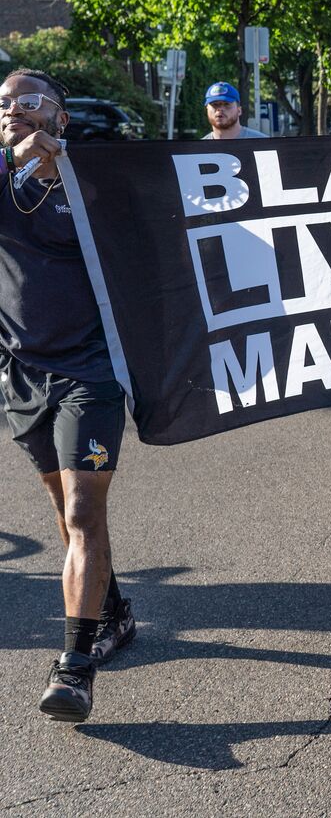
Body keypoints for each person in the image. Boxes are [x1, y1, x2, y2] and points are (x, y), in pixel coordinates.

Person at [0, 69, 137, 722]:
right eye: (4, 105)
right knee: (64, 509)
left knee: (82, 510)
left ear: (62, 117)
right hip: (23, 375)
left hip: (92, 370)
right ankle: (112, 609)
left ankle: (75, 667)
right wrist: (14, 162)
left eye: (29, 104)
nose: (14, 112)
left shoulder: (97, 187)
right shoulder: (2, 182)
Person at [202, 82, 268, 140]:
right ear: (207, 110)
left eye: (226, 104)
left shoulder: (262, 143)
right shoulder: (198, 150)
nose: (220, 109)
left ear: (239, 110)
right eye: (215, 104)